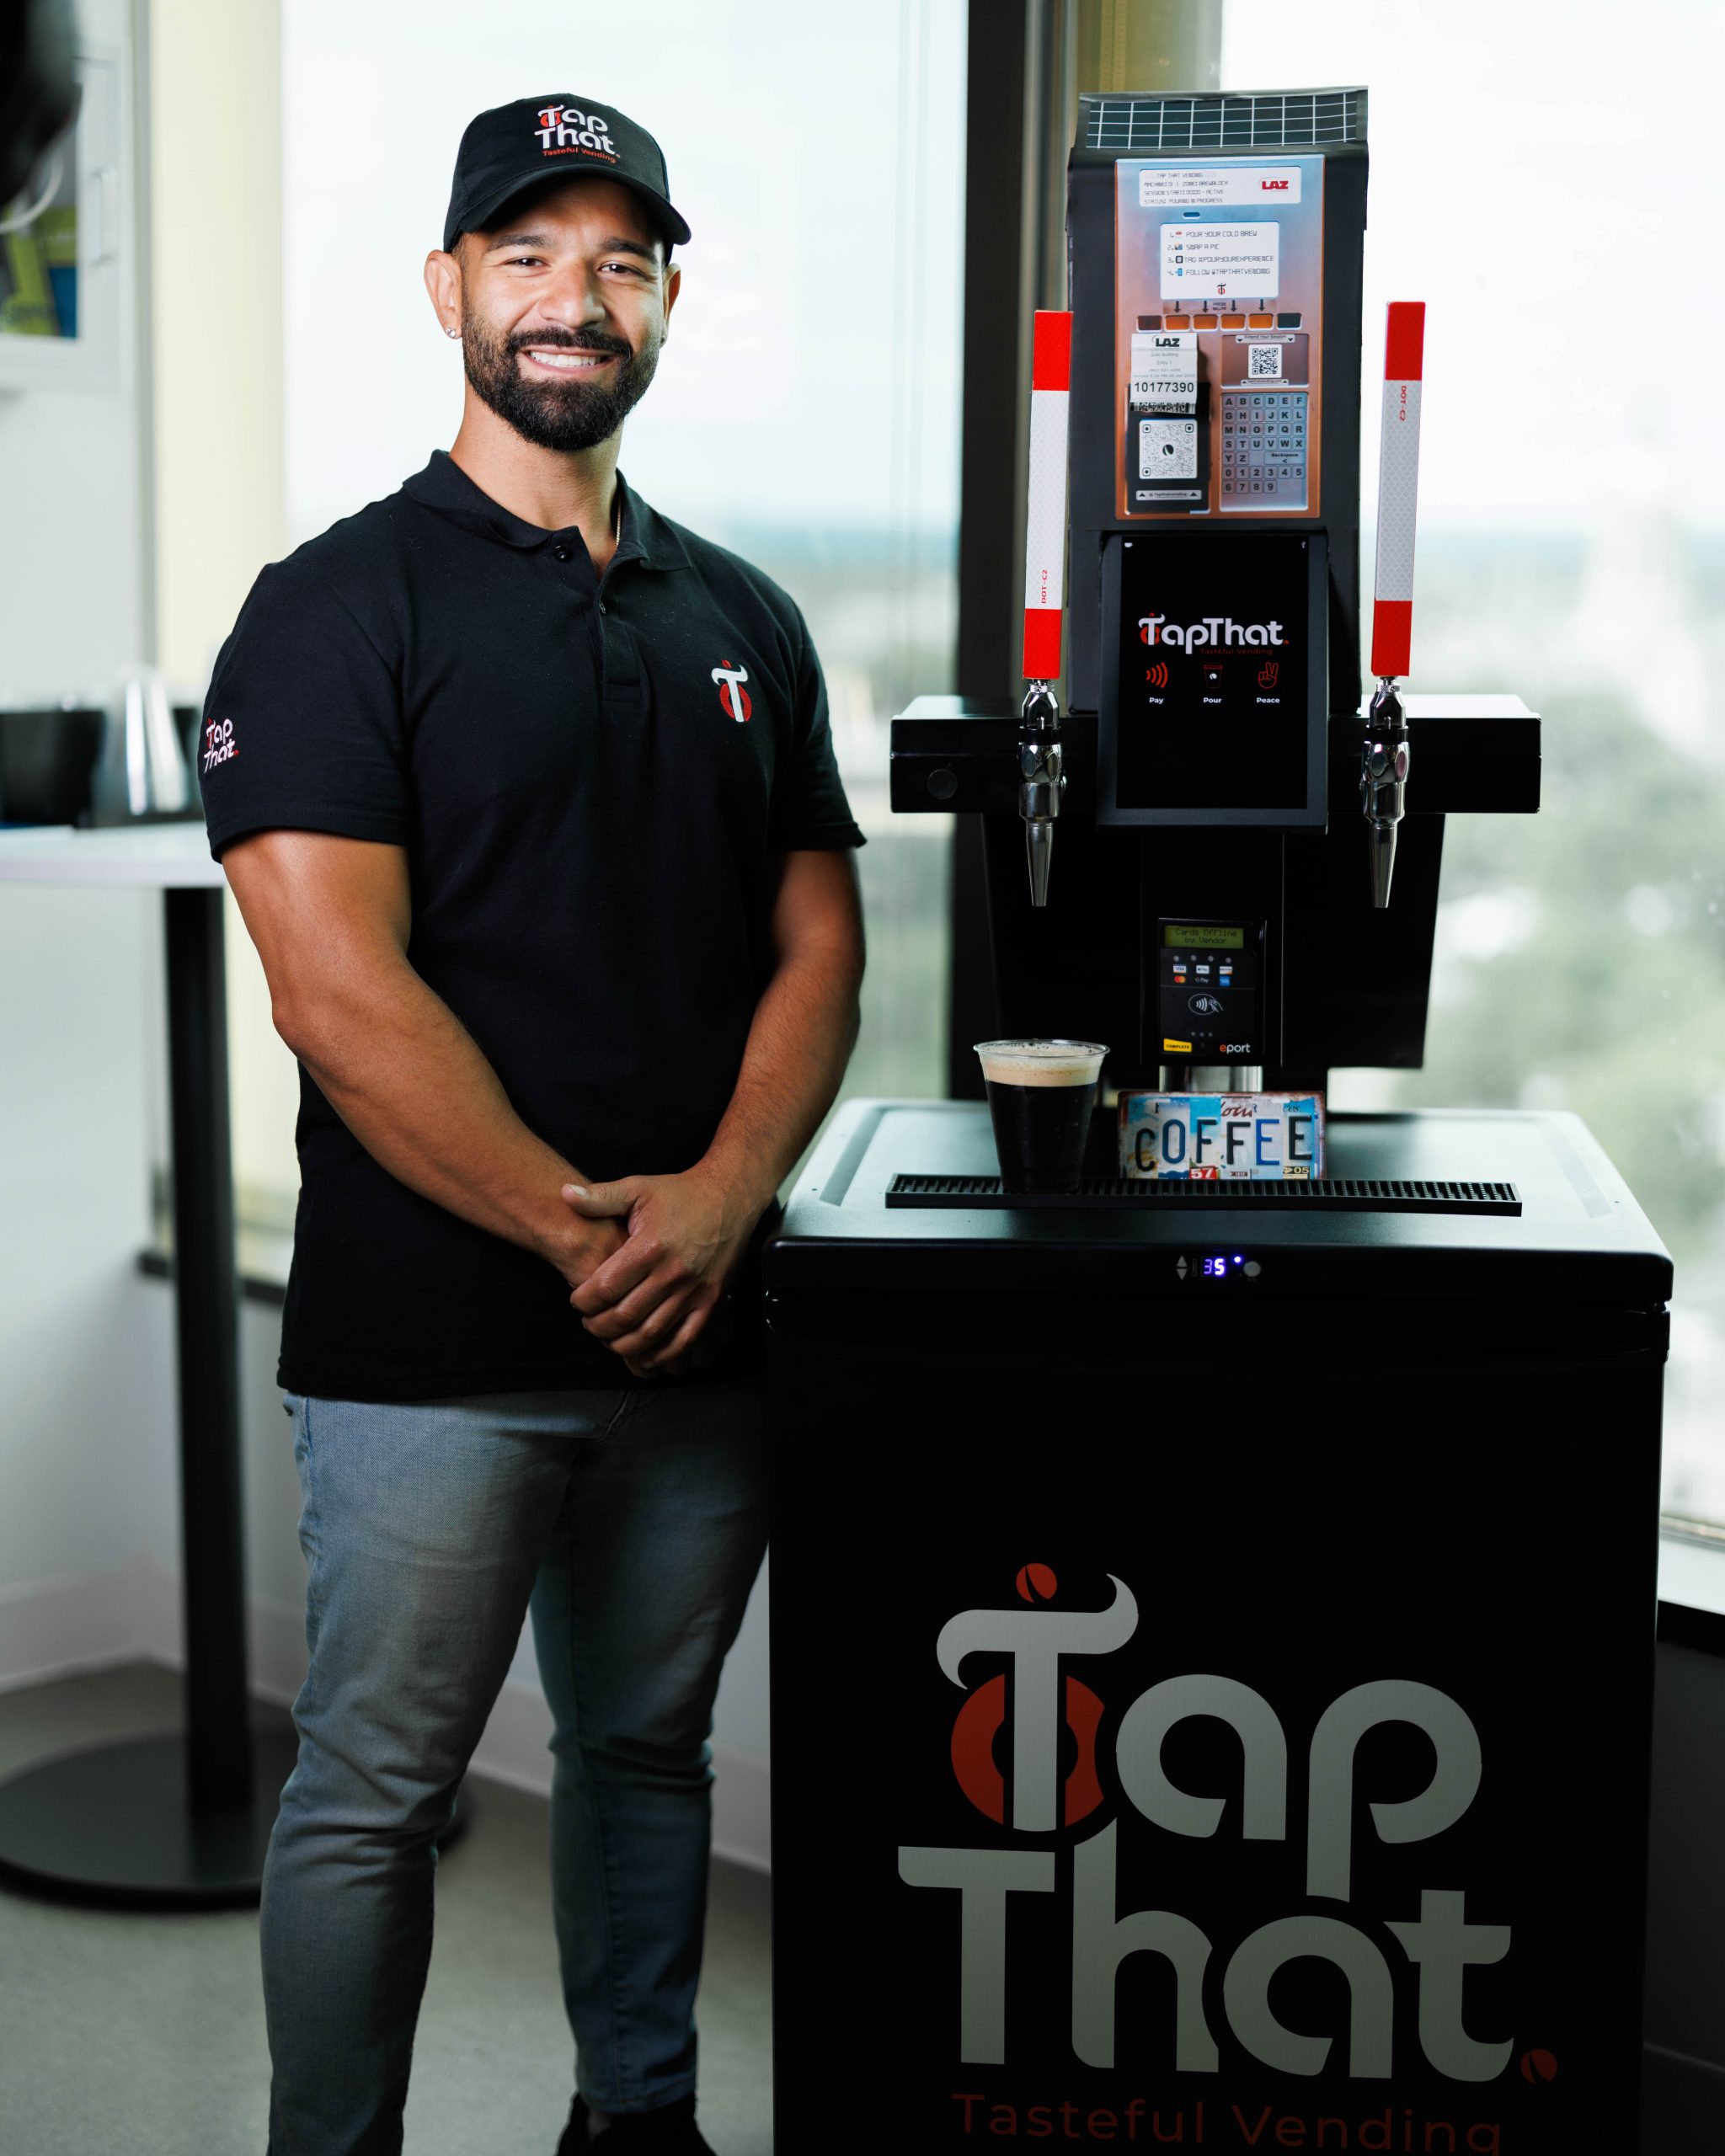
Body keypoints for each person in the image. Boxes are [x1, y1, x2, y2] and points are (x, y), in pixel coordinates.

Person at [200, 92, 866, 2156]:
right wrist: (594, 1237)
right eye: (526, 254)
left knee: (648, 1750)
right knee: (378, 1786)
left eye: (616, 261)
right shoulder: (332, 606)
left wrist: (726, 1200)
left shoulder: (737, 613)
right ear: (448, 290)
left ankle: (635, 2123)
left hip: (705, 1324)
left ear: (664, 302)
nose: (572, 299)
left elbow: (819, 943)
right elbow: (336, 989)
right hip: (435, 1340)